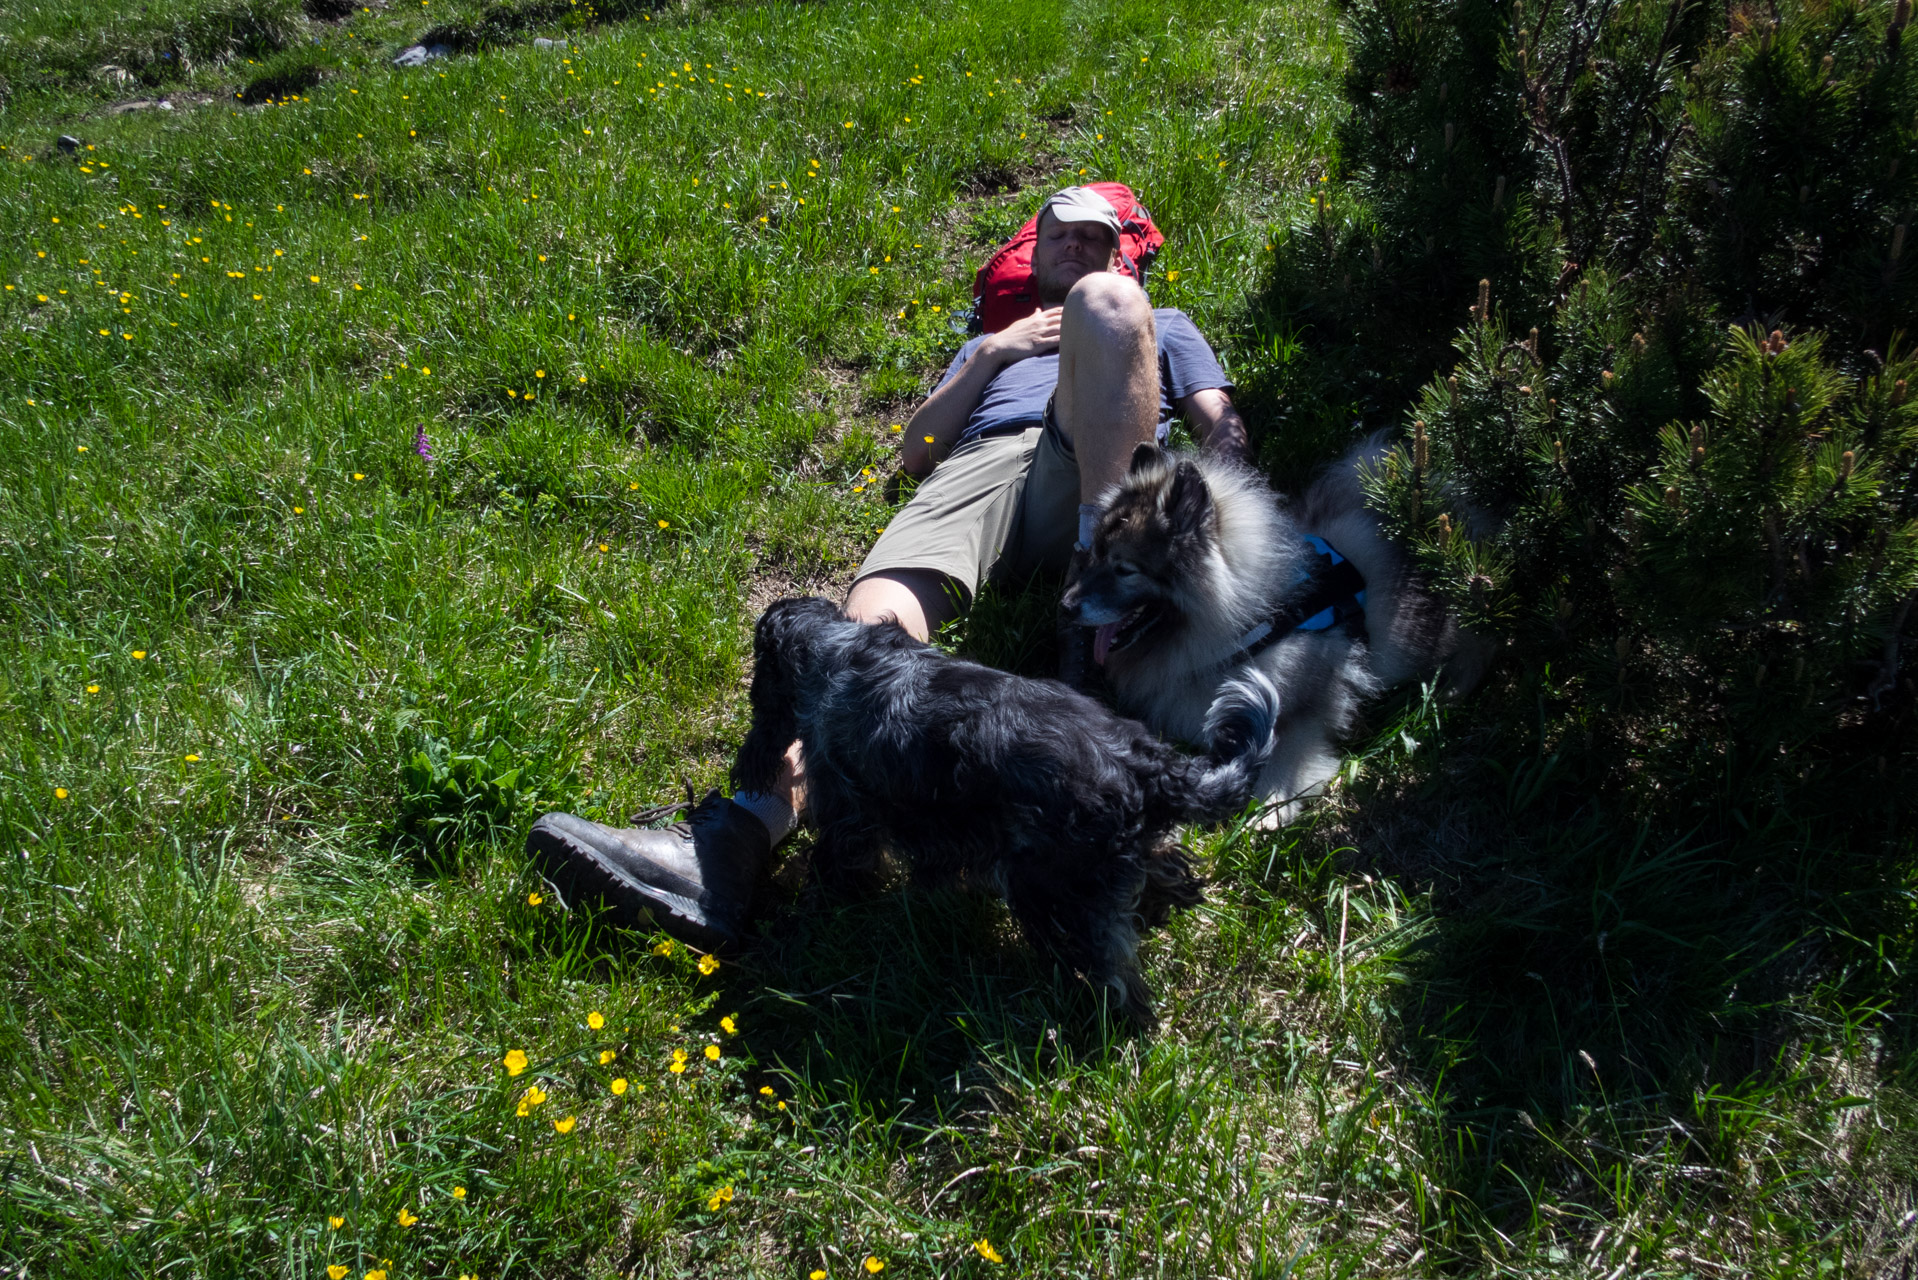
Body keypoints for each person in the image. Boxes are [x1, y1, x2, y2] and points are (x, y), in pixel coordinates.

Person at [525, 186, 1251, 950]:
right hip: (975, 470)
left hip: (1090, 483)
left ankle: (1089, 687)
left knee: (1106, 308)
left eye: (1093, 237)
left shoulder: (1156, 322)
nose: (1074, 245)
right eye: (1057, 234)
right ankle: (738, 837)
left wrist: (1214, 517)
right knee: (862, 638)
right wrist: (997, 352)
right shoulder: (985, 345)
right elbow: (915, 456)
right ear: (1030, 253)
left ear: (1121, 254)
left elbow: (1223, 433)